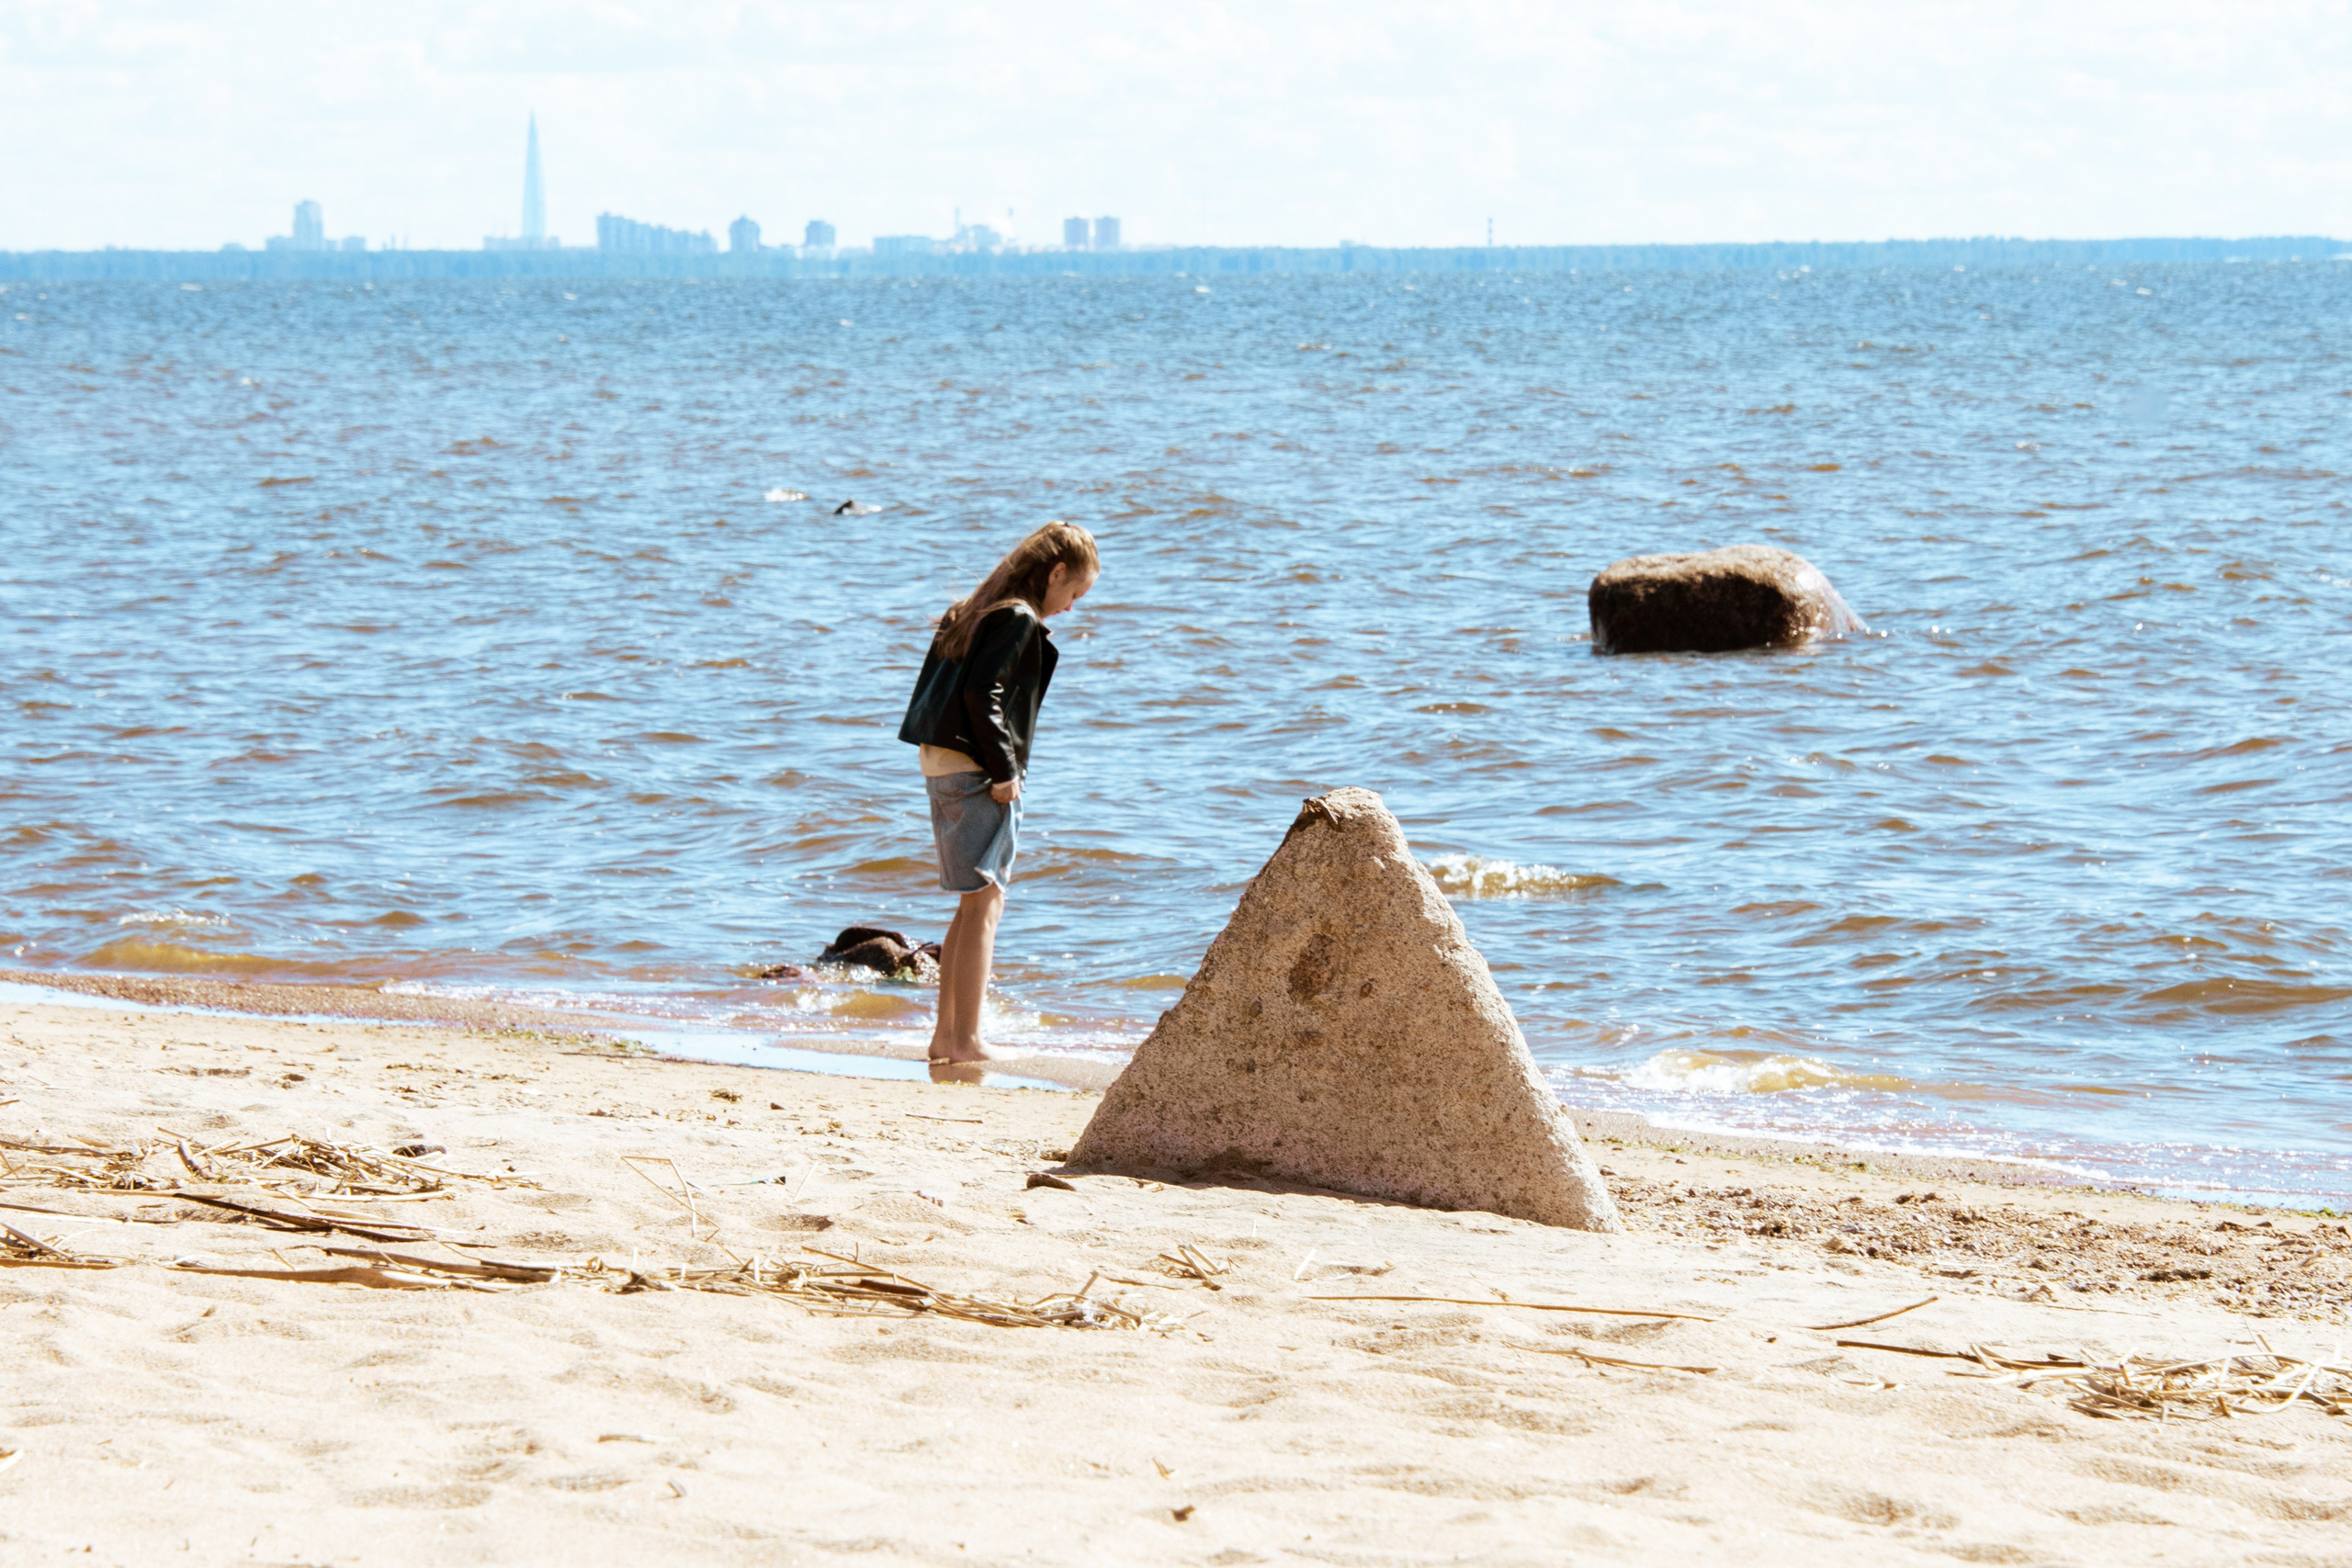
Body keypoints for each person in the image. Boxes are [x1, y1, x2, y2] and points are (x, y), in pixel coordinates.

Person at [898, 522, 1100, 1068]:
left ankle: (946, 1039)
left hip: (944, 765)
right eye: (1074, 593)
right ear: (1056, 572)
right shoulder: (1015, 616)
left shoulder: (976, 608)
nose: (1072, 607)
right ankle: (966, 1041)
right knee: (987, 904)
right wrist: (1005, 768)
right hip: (977, 769)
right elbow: (981, 693)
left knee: (971, 904)